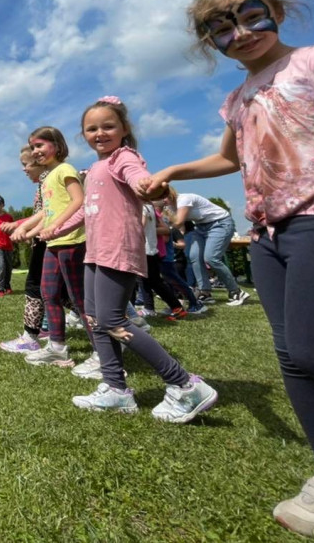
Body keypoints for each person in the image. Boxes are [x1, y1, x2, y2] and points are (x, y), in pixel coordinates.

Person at [142, 0, 314, 537]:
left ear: (277, 11)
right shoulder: (238, 99)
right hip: (267, 235)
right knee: (292, 356)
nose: (240, 33)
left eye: (251, 16)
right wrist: (172, 171)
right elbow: (229, 159)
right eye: (222, 28)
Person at [48, 97, 217, 418]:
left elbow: (137, 176)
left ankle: (184, 385)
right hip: (95, 253)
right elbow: (84, 209)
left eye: (108, 126)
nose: (100, 133)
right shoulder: (96, 167)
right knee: (96, 320)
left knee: (112, 320)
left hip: (118, 250)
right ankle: (116, 390)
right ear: (83, 134)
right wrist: (54, 228)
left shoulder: (123, 157)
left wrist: (147, 186)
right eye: (91, 128)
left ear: (124, 129)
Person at [15, 127, 93, 371]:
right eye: (33, 147)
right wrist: (28, 231)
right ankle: (57, 347)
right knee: (49, 293)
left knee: (80, 300)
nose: (36, 151)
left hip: (71, 242)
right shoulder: (47, 177)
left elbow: (79, 201)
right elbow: (47, 212)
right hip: (53, 244)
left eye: (40, 145)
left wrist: (59, 226)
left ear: (57, 146)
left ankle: (104, 353)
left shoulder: (65, 170)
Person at [0, 153, 48, 353]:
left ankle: (30, 336)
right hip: (46, 240)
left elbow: (48, 213)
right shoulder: (44, 183)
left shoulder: (49, 181)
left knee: (34, 286)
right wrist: (23, 226)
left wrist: (23, 227)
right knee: (62, 292)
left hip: (49, 241)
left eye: (25, 164)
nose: (23, 169)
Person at [168, 189, 249, 307]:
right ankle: (205, 292)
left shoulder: (184, 199)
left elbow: (178, 222)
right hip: (201, 227)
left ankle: (236, 292)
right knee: (194, 256)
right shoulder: (170, 207)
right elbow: (178, 227)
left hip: (220, 223)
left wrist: (161, 233)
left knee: (211, 258)